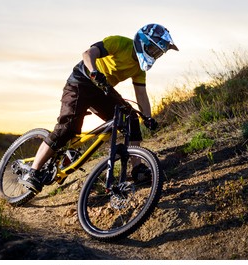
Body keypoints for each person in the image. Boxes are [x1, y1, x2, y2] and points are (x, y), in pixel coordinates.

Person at [21, 23, 178, 193]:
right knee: (67, 128)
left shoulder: (139, 69)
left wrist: (148, 117)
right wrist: (94, 71)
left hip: (103, 90)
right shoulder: (119, 43)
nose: (154, 55)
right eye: (153, 50)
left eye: (157, 53)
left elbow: (141, 94)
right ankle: (33, 171)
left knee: (130, 119)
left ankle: (137, 169)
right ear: (142, 41)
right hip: (80, 82)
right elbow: (88, 54)